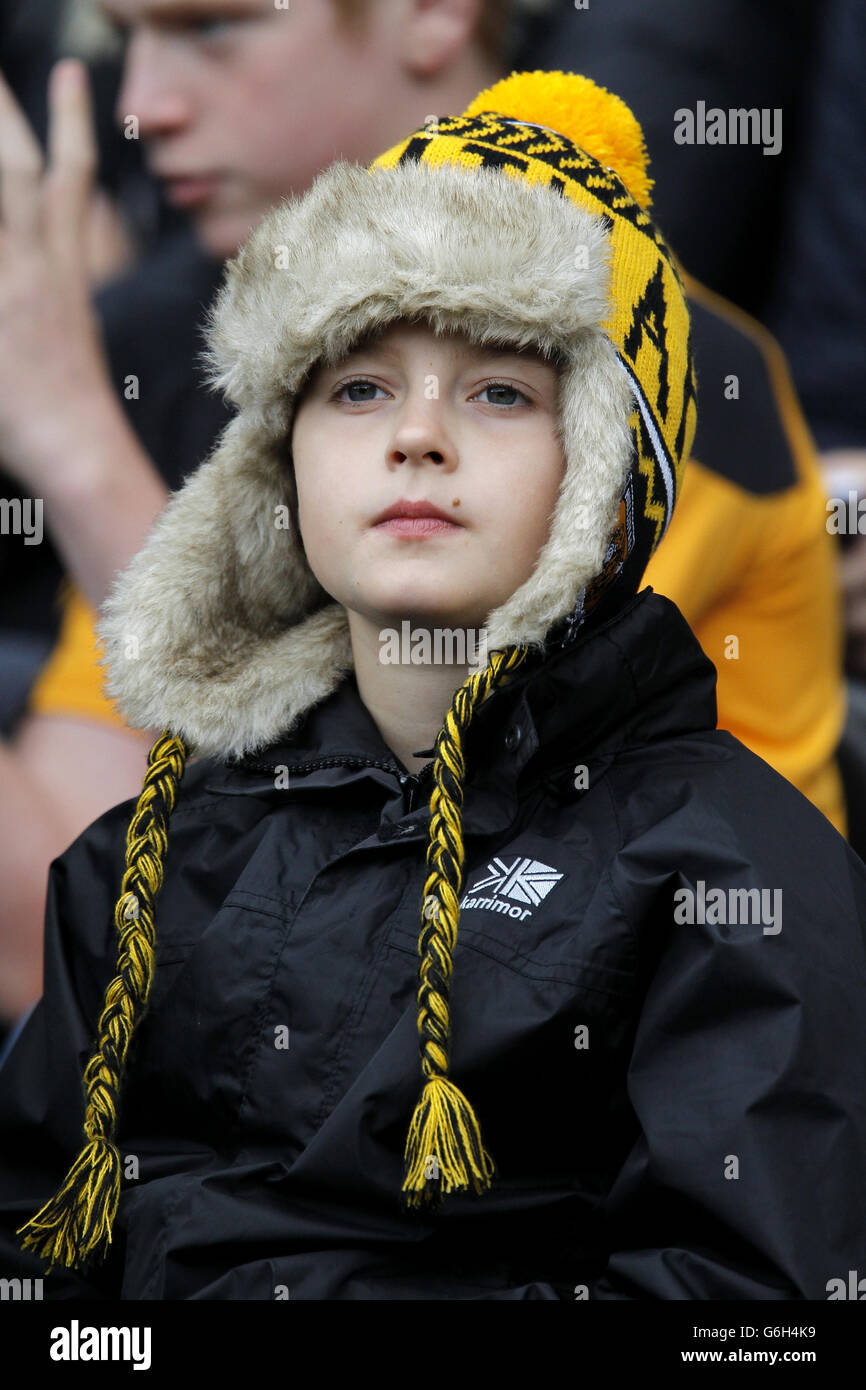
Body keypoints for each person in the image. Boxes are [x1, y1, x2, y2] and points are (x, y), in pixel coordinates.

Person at [1, 70, 865, 1301]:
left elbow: (753, 1313)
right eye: (357, 386)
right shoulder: (146, 850)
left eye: (501, 389)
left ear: (609, 492)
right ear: (275, 468)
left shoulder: (735, 875)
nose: (416, 434)